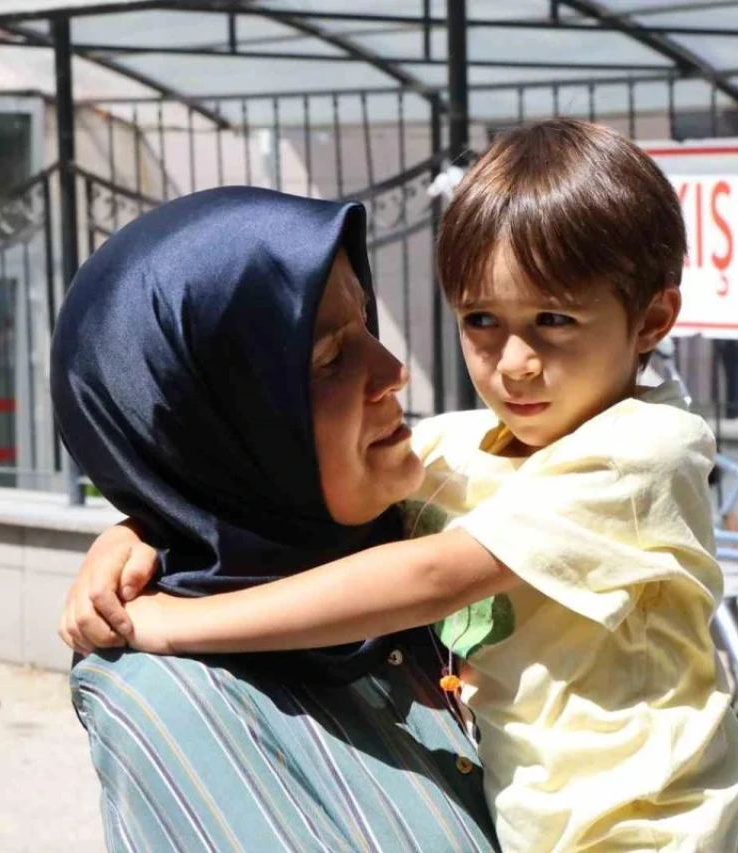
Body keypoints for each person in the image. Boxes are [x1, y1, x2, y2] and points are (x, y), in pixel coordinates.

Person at [64, 119, 738, 852]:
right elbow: (233, 484)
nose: (513, 363)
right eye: (480, 319)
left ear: (654, 320)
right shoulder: (175, 705)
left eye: (553, 320)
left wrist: (175, 620)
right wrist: (141, 526)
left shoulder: (641, 450)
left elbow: (430, 574)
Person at [50, 185, 498, 852]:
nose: (392, 370)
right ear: (223, 438)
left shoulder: (451, 522)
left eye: (367, 324)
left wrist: (138, 529)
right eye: (326, 359)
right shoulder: (179, 700)